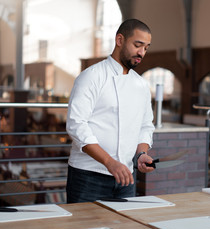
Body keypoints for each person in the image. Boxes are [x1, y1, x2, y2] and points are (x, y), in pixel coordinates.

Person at [66, 19, 155, 203]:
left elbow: (145, 126)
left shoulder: (141, 85)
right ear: (120, 40)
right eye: (137, 45)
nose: (141, 53)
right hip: (88, 176)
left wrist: (141, 154)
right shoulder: (91, 77)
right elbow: (76, 125)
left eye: (146, 48)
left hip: (126, 178)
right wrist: (109, 162)